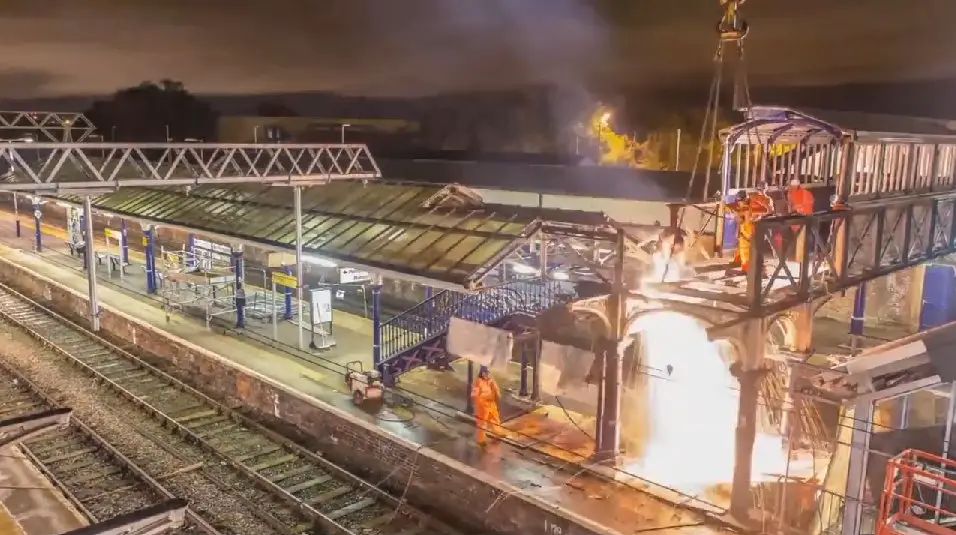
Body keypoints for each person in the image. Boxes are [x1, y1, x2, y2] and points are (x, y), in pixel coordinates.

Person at [726, 187, 773, 273]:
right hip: (744, 235)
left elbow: (768, 211)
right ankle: (746, 269)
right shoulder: (740, 207)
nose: (740, 203)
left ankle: (759, 270)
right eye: (739, 201)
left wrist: (760, 210)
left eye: (741, 201)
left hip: (752, 234)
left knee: (754, 255)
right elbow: (737, 217)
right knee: (744, 255)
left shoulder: (754, 206)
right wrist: (736, 215)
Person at [471, 366, 501, 447]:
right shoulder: (478, 382)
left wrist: (497, 398)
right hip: (482, 406)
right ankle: (481, 440)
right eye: (486, 373)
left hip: (491, 404)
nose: (487, 375)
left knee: (495, 419)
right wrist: (481, 403)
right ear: (482, 373)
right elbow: (474, 395)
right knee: (482, 423)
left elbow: (496, 391)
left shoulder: (491, 381)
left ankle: (497, 434)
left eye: (488, 373)